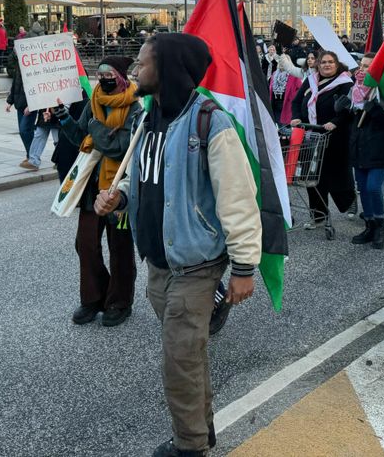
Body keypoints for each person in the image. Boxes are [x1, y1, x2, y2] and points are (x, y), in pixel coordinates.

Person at [93, 34, 262, 457]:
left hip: (195, 267)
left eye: (143, 64)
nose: (134, 72)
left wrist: (243, 268)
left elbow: (237, 197)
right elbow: (145, 178)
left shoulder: (210, 123)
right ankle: (201, 433)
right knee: (189, 359)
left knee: (178, 363)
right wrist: (121, 195)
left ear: (167, 70)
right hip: (159, 265)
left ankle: (190, 447)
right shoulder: (148, 120)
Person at [57, 56, 141, 326]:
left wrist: (95, 125)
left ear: (121, 77)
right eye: (100, 74)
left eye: (109, 75)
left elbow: (119, 147)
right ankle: (94, 297)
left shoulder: (135, 107)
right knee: (86, 244)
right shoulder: (93, 101)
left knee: (120, 249)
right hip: (92, 186)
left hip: (118, 188)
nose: (103, 79)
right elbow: (81, 137)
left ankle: (120, 301)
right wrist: (63, 118)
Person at [335, 54, 384, 248]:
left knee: (374, 188)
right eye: (361, 65)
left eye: (368, 66)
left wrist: (372, 108)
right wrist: (341, 107)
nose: (362, 69)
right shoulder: (355, 91)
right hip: (359, 147)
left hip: (379, 148)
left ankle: (380, 226)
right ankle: (370, 226)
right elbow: (349, 118)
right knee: (363, 189)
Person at [290, 51, 356, 228]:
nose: (327, 65)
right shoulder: (310, 80)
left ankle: (349, 200)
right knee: (312, 178)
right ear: (318, 64)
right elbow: (296, 102)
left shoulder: (345, 84)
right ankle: (318, 216)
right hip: (311, 137)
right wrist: (297, 117)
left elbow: (349, 108)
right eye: (323, 62)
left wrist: (335, 122)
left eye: (331, 62)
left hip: (335, 137)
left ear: (336, 64)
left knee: (336, 176)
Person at [6, 54, 36, 160]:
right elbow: (15, 84)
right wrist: (10, 102)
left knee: (25, 130)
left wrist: (31, 105)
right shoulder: (19, 64)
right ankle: (31, 154)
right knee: (24, 131)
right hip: (19, 104)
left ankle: (32, 156)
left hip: (30, 106)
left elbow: (36, 87)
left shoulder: (34, 65)